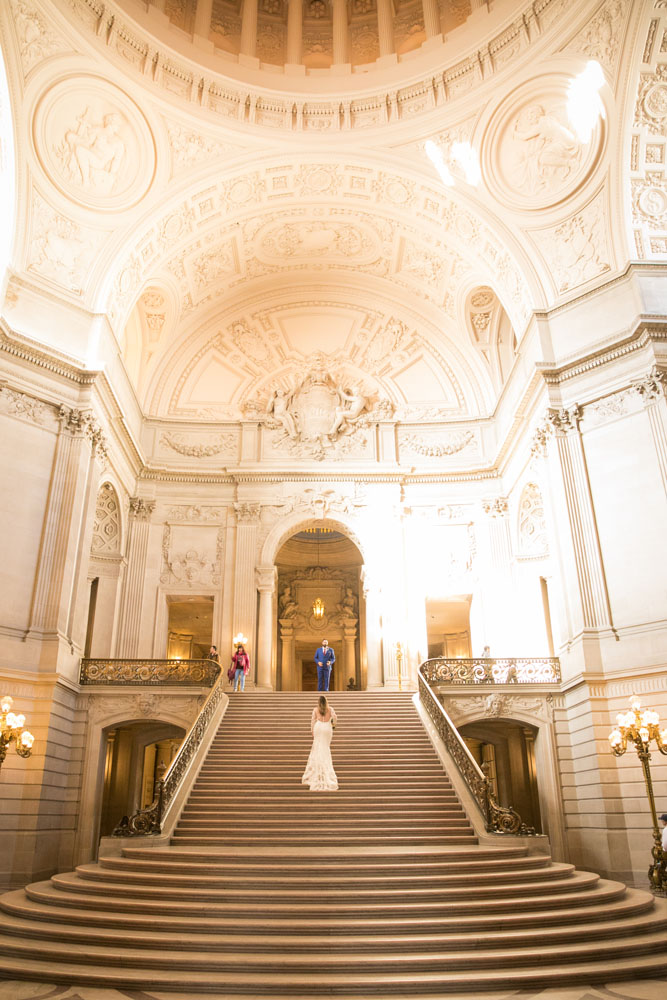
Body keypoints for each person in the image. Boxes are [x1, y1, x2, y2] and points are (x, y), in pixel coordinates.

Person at [302, 695, 338, 791]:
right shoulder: (330, 709)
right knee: (325, 749)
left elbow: (312, 721)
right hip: (327, 728)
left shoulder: (315, 709)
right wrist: (333, 725)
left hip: (318, 727)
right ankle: (326, 771)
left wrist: (312, 731)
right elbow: (335, 718)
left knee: (317, 749)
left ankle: (317, 771)